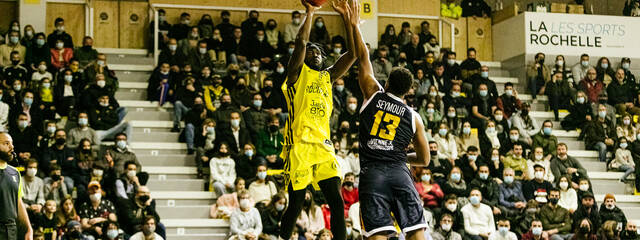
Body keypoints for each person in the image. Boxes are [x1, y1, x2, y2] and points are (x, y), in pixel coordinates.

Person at [278, 0, 357, 239]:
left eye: (319, 52)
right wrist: (310, 11)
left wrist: (347, 17)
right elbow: (301, 42)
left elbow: (353, 54)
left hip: (323, 146)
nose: (315, 54)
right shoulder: (295, 75)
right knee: (296, 203)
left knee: (336, 201)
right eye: (311, 52)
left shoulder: (328, 77)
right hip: (299, 146)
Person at [352, 0, 431, 237]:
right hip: (399, 173)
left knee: (378, 233)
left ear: (386, 84)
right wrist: (398, 155)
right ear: (408, 91)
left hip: (372, 175)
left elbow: (363, 58)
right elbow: (425, 160)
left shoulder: (372, 95)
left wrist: (354, 24)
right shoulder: (413, 116)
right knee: (416, 231)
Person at [0, 132, 34, 240]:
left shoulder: (15, 172)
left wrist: (29, 229)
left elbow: (18, 202)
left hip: (11, 229)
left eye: (12, 143)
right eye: (6, 143)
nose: (12, 147)